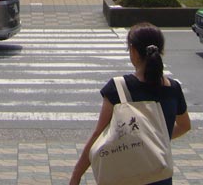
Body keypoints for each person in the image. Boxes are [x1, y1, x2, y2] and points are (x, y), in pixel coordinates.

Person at [69, 23, 191, 185]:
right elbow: (185, 126)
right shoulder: (173, 88)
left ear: (133, 51)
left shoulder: (118, 87)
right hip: (160, 174)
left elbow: (98, 135)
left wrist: (76, 175)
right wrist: (155, 139)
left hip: (125, 175)